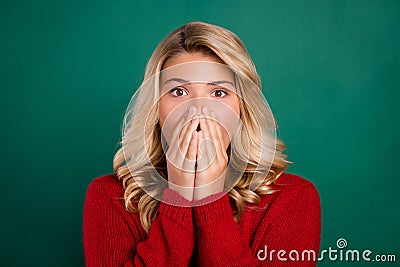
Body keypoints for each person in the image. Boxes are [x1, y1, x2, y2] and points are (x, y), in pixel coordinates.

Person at [83, 21, 321, 266]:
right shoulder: (111, 197)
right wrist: (178, 195)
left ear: (242, 108)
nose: (197, 111)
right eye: (179, 92)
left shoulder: (292, 198)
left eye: (218, 93)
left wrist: (212, 198)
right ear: (156, 108)